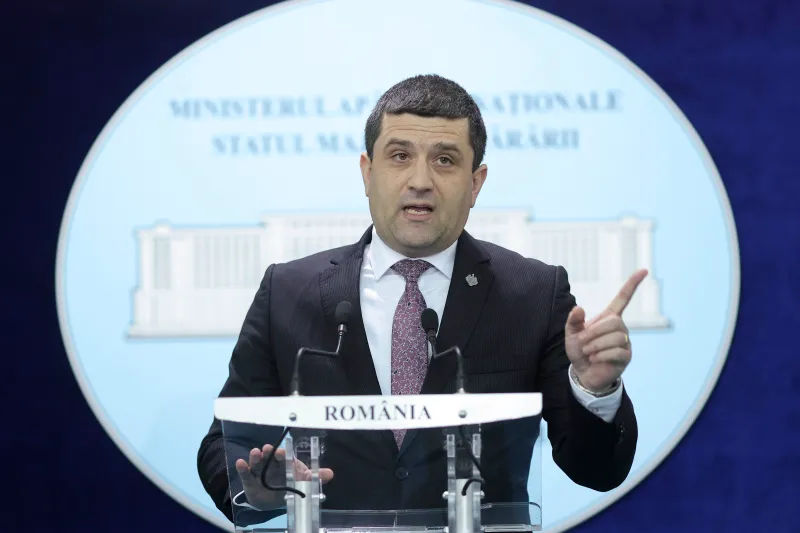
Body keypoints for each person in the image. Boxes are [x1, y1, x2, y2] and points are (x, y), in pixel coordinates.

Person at [197, 74, 642, 523]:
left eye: (445, 160)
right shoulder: (288, 292)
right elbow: (224, 446)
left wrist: (594, 389)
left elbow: (598, 469)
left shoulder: (533, 294)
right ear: (367, 173)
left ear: (476, 183)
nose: (420, 180)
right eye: (400, 156)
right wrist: (259, 486)